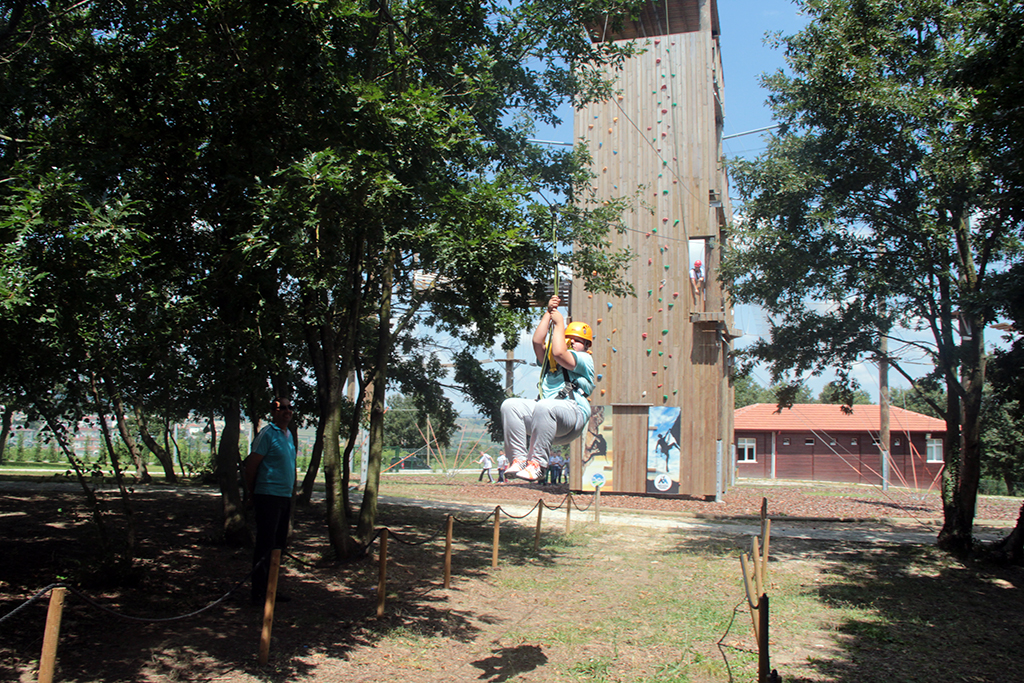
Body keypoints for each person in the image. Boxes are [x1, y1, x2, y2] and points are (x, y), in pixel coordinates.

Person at [502, 295, 595, 482]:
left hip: (572, 415)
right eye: (568, 338)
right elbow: (537, 343)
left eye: (577, 340)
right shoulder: (550, 360)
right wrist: (548, 313)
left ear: (586, 345)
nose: (571, 342)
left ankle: (537, 465)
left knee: (545, 406)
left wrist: (560, 324)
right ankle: (519, 459)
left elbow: (560, 353)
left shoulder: (584, 359)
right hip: (545, 421)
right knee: (510, 405)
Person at [244, 398, 297, 606]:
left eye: (289, 407)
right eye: (281, 408)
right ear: (273, 412)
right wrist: (251, 494)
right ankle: (258, 593)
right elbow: (251, 466)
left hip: (284, 497)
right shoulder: (266, 434)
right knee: (265, 544)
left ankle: (272, 588)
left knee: (278, 545)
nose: (287, 411)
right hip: (267, 496)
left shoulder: (288, 434)